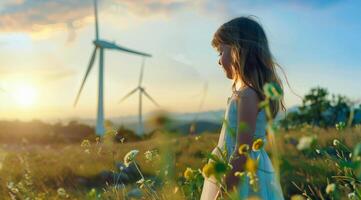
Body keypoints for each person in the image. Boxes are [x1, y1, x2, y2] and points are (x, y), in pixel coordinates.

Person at [200, 16, 286, 200]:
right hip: (240, 168)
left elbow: (242, 151)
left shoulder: (247, 95)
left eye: (220, 52)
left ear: (237, 50)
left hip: (241, 174)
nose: (218, 61)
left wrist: (224, 193)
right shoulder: (245, 93)